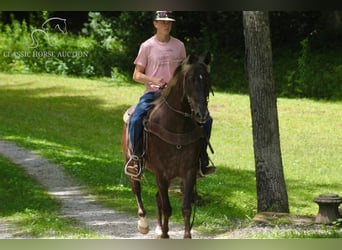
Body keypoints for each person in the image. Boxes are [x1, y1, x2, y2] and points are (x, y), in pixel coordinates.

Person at [125, 11, 216, 180]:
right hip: (153, 93)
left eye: (169, 22)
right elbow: (136, 75)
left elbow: (185, 72)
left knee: (207, 120)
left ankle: (201, 159)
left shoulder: (179, 46)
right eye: (163, 22)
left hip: (176, 95)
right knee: (137, 118)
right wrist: (153, 79)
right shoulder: (147, 46)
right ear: (155, 24)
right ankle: (136, 158)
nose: (166, 25)